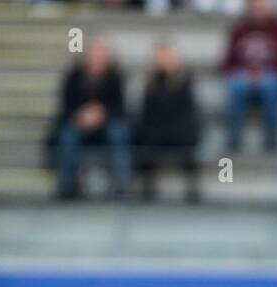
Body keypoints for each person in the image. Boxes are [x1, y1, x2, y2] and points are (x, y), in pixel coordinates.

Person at [53, 40, 132, 200]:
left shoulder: (115, 78)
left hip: (107, 125)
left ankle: (121, 182)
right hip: (79, 124)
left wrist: (101, 114)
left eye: (101, 56)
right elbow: (65, 108)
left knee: (119, 133)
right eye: (94, 55)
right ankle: (67, 183)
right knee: (67, 135)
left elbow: (120, 108)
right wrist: (82, 116)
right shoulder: (73, 77)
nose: (97, 59)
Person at [135, 39, 202, 201]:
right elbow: (147, 113)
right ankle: (147, 184)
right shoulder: (150, 82)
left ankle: (192, 185)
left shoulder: (185, 81)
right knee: (143, 137)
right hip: (157, 130)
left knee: (189, 137)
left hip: (178, 130)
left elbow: (186, 111)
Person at [222, 0, 277, 152]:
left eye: (261, 8)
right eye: (254, 8)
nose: (258, 12)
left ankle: (272, 139)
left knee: (271, 87)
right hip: (244, 75)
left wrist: (267, 73)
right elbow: (228, 62)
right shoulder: (239, 30)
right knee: (236, 85)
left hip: (270, 76)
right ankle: (234, 139)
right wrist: (244, 73)